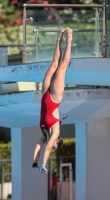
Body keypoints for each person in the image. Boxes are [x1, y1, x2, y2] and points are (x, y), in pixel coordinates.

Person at [32, 27, 73, 173]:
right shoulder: (55, 131)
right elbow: (48, 148)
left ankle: (58, 40)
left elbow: (39, 146)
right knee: (61, 67)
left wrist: (34, 164)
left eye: (52, 144)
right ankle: (69, 39)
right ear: (57, 140)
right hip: (55, 98)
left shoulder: (44, 133)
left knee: (53, 65)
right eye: (55, 144)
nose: (51, 143)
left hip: (45, 95)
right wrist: (44, 165)